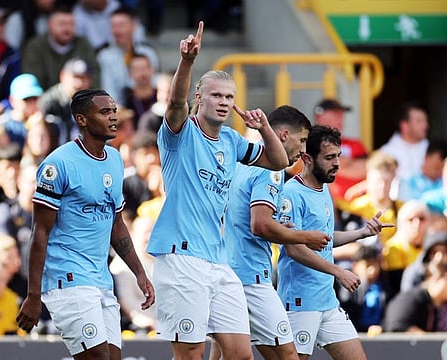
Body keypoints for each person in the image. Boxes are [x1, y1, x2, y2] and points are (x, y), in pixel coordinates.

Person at [146, 22, 288, 360]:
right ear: (200, 98)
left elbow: (278, 161)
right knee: (191, 353)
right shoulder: (180, 133)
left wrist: (264, 127)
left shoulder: (231, 140)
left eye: (229, 97)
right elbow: (175, 104)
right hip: (181, 257)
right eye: (216, 95)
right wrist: (187, 62)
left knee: (240, 353)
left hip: (218, 261)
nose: (223, 103)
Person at [16, 89, 155, 359]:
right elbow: (40, 232)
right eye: (104, 112)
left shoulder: (114, 160)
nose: (113, 117)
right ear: (81, 119)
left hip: (100, 280)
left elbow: (116, 224)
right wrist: (33, 296)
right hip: (66, 279)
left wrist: (139, 272)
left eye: (113, 111)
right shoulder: (58, 164)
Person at [215, 105, 331, 360]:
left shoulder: (240, 165)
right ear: (283, 135)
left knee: (226, 353)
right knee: (288, 355)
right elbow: (261, 225)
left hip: (227, 271)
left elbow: (250, 221)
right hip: (251, 276)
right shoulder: (271, 170)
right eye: (301, 140)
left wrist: (282, 229)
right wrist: (304, 236)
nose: (303, 151)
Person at [276, 125, 393, 360]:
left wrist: (362, 232)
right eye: (329, 157)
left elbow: (326, 237)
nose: (337, 163)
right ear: (307, 158)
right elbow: (293, 247)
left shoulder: (324, 190)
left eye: (338, 156)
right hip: (300, 301)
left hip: (327, 300)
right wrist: (338, 271)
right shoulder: (291, 193)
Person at [22, 4, 101, 91]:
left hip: (80, 99)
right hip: (45, 101)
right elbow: (33, 83)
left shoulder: (83, 44)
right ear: (49, 26)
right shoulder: (35, 46)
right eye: (61, 24)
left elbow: (94, 76)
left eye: (71, 24)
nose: (67, 28)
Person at [313, 98, 368, 213]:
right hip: (322, 206)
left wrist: (324, 164)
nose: (340, 118)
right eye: (335, 114)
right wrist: (347, 163)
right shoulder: (307, 143)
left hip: (357, 206)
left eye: (341, 115)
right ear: (319, 116)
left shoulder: (355, 144)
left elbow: (367, 169)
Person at [97, 6, 158, 104]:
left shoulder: (148, 52)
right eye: (113, 26)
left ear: (134, 25)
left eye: (121, 25)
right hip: (117, 109)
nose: (117, 31)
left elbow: (154, 82)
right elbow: (108, 90)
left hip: (148, 105)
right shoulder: (104, 56)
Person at [38, 57, 95, 143]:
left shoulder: (92, 103)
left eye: (84, 78)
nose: (79, 83)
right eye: (75, 77)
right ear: (63, 76)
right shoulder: (49, 102)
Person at [380, 101, 429, 195]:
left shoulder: (432, 150)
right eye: (419, 121)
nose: (425, 125)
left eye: (425, 121)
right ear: (404, 125)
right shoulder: (387, 152)